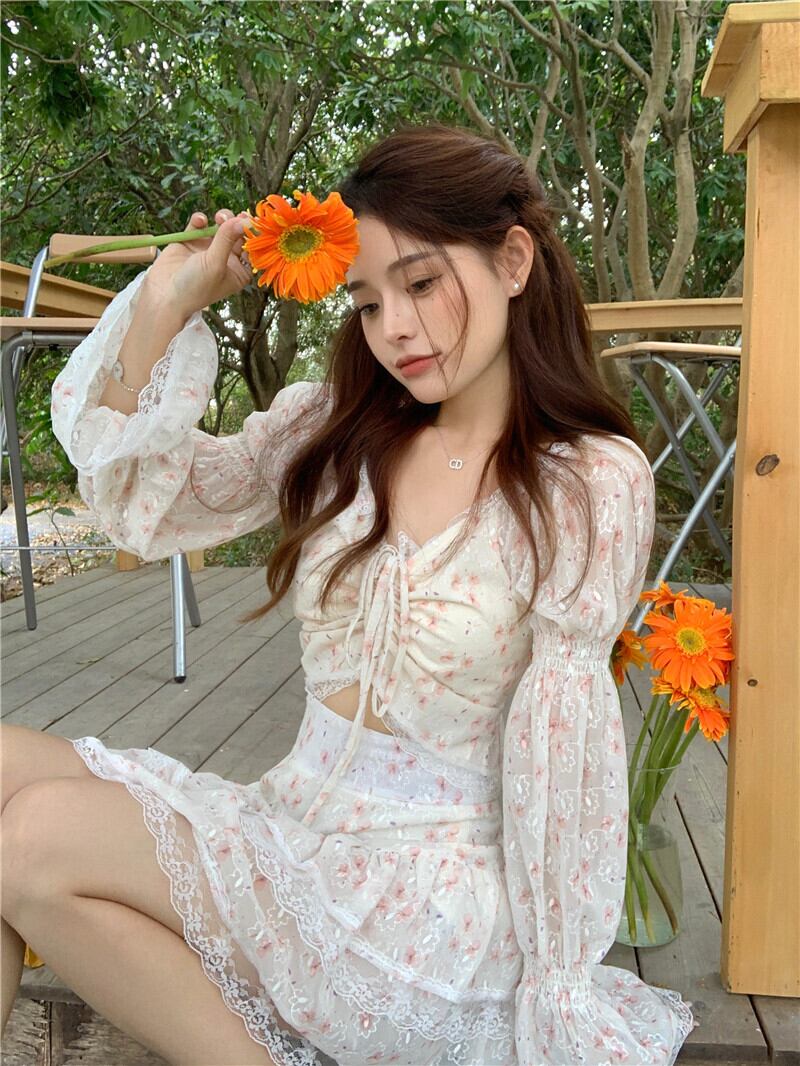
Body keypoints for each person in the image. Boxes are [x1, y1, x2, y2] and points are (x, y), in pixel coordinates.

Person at [2, 123, 695, 1065]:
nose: (394, 327)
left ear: (514, 261)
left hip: (426, 898)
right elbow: (138, 505)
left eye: (421, 284)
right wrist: (167, 303)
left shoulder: (586, 481)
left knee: (35, 841)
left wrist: (560, 989)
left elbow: (562, 751)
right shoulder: (336, 431)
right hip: (293, 827)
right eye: (367, 302)